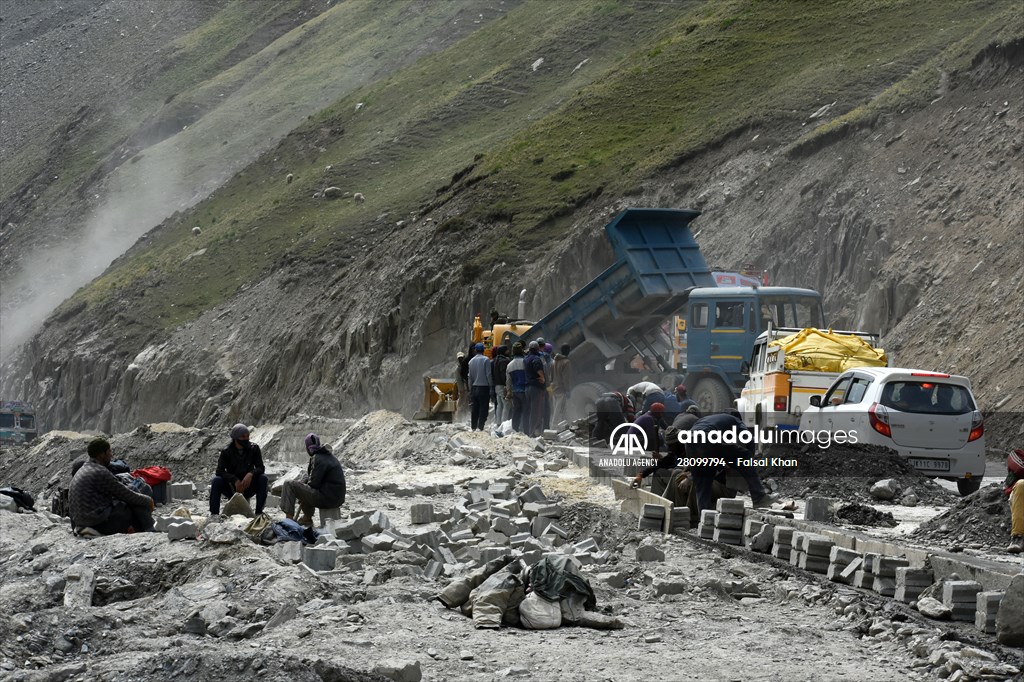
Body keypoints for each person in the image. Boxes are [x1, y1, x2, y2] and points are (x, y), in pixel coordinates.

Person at [687, 412, 776, 513]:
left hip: (690, 441)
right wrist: (750, 459)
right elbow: (748, 438)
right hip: (707, 437)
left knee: (702, 485)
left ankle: (705, 522)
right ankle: (759, 497)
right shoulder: (736, 421)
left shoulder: (711, 420)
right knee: (745, 456)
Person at [69, 438, 154, 535]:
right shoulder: (101, 471)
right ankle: (150, 528)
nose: (111, 455)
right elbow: (127, 495)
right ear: (102, 454)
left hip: (79, 524)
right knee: (133, 495)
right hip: (98, 524)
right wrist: (148, 500)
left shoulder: (82, 470)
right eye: (109, 451)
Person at [282, 433, 346, 527]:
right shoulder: (328, 456)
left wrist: (302, 486)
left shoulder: (317, 458)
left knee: (289, 484)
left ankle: (289, 521)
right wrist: (304, 483)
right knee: (305, 481)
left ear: (308, 448)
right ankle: (307, 519)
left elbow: (313, 484)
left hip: (326, 499)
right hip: (337, 498)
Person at [210, 424, 268, 516]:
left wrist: (251, 474)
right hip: (232, 487)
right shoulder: (226, 451)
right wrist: (234, 479)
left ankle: (259, 513)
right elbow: (219, 471)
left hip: (248, 486)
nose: (246, 439)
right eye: (243, 437)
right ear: (236, 438)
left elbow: (261, 467)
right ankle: (214, 514)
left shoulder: (254, 448)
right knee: (216, 481)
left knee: (263, 478)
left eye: (247, 436)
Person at [523, 341, 547, 437]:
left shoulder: (526, 358)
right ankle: (532, 433)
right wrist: (542, 377)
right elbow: (538, 368)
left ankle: (528, 431)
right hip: (536, 387)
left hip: (528, 387)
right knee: (536, 411)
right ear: (537, 349)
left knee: (529, 410)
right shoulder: (536, 358)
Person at [468, 342, 493, 431]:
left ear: (475, 350)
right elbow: (488, 375)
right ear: (483, 350)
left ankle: (473, 427)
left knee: (475, 409)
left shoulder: (471, 361)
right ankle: (480, 426)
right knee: (483, 408)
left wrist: (470, 390)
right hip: (484, 388)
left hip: (474, 387)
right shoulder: (486, 360)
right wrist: (491, 387)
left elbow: (470, 378)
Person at [1005, 448, 1024, 553]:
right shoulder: (1017, 455)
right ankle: (1018, 537)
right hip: (1019, 495)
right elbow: (1020, 469)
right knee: (1022, 484)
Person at [506, 342, 527, 432]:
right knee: (525, 411)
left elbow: (508, 381)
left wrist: (509, 391)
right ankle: (525, 429)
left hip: (515, 391)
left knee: (516, 411)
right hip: (525, 390)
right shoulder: (526, 362)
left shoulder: (510, 365)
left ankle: (515, 429)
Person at [551, 344, 572, 427]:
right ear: (568, 351)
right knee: (559, 408)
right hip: (561, 388)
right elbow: (566, 378)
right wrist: (568, 390)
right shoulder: (566, 362)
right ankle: (554, 426)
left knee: (556, 407)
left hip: (554, 387)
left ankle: (561, 426)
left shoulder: (554, 361)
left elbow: (551, 376)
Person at [492, 345, 510, 426]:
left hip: (496, 385)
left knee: (499, 405)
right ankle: (504, 423)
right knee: (506, 404)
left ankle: (498, 422)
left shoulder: (495, 360)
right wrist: (507, 385)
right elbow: (503, 374)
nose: (508, 352)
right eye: (507, 350)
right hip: (502, 386)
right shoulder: (503, 361)